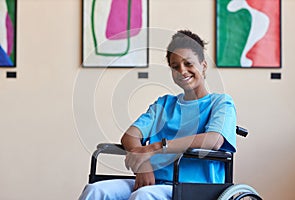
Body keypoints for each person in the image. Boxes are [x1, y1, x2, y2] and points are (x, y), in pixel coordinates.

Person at [79, 30, 236, 200]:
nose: (182, 71)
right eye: (175, 66)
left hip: (194, 187)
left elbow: (214, 140)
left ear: (203, 65)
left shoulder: (221, 103)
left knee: (143, 195)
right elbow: (131, 136)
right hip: (153, 182)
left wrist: (153, 148)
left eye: (188, 63)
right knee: (95, 190)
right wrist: (143, 165)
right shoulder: (164, 104)